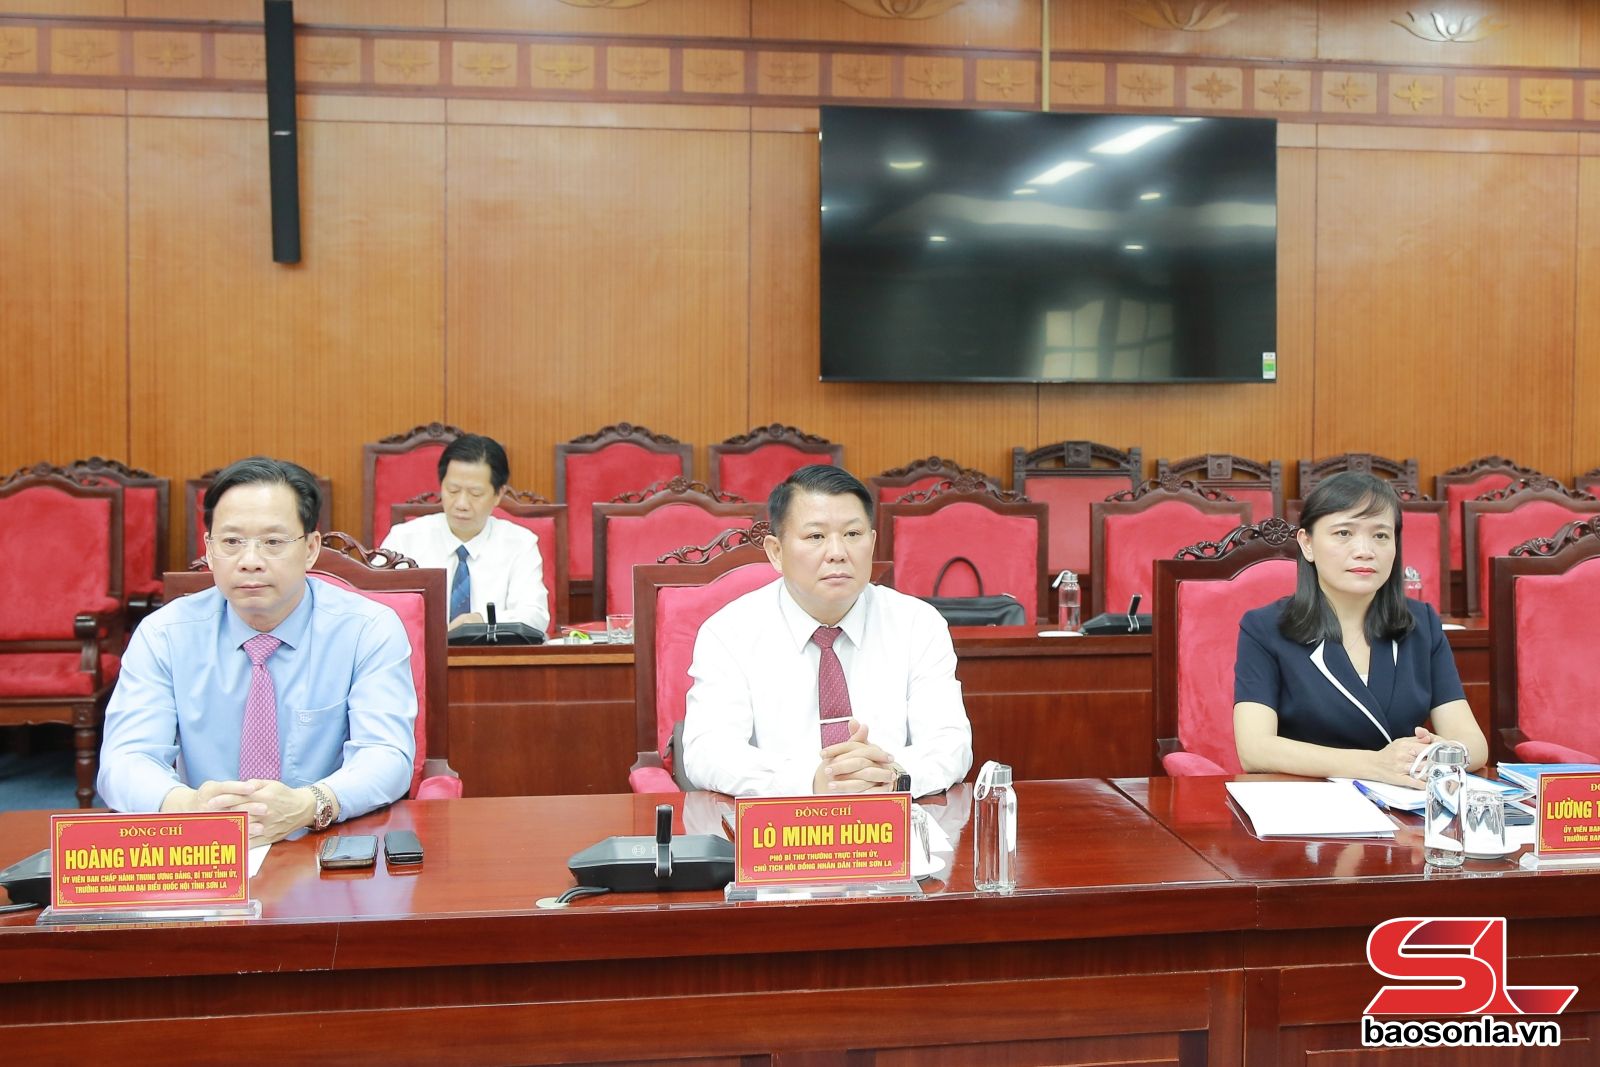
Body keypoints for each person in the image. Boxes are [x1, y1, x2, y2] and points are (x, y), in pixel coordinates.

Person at [98, 457, 418, 843]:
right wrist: (186, 805)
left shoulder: (367, 629)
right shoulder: (163, 635)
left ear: (311, 548)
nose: (250, 561)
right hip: (204, 847)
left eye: (273, 542)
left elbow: (386, 755)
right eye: (232, 542)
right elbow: (124, 760)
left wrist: (309, 805)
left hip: (325, 839)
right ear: (210, 549)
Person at [680, 464, 972, 798]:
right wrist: (813, 781)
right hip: (779, 824)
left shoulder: (918, 624)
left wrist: (889, 775)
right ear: (776, 552)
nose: (837, 553)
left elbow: (951, 743)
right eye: (816, 537)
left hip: (892, 819)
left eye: (852, 534)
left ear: (872, 543)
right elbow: (709, 753)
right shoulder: (729, 632)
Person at [1233, 471, 1488, 787]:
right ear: (1307, 544)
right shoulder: (1265, 628)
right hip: (1306, 802)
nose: (1365, 550)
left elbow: (1474, 745)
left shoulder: (1421, 623)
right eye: (1344, 533)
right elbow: (1255, 750)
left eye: (1380, 536)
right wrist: (1375, 765)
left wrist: (1441, 753)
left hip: (1403, 804)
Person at [380, 433, 549, 634]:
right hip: (417, 651)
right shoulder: (404, 540)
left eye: (475, 494)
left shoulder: (520, 543)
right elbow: (375, 604)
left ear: (498, 494)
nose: (461, 504)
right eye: (452, 490)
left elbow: (536, 616)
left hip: (491, 653)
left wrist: (482, 622)